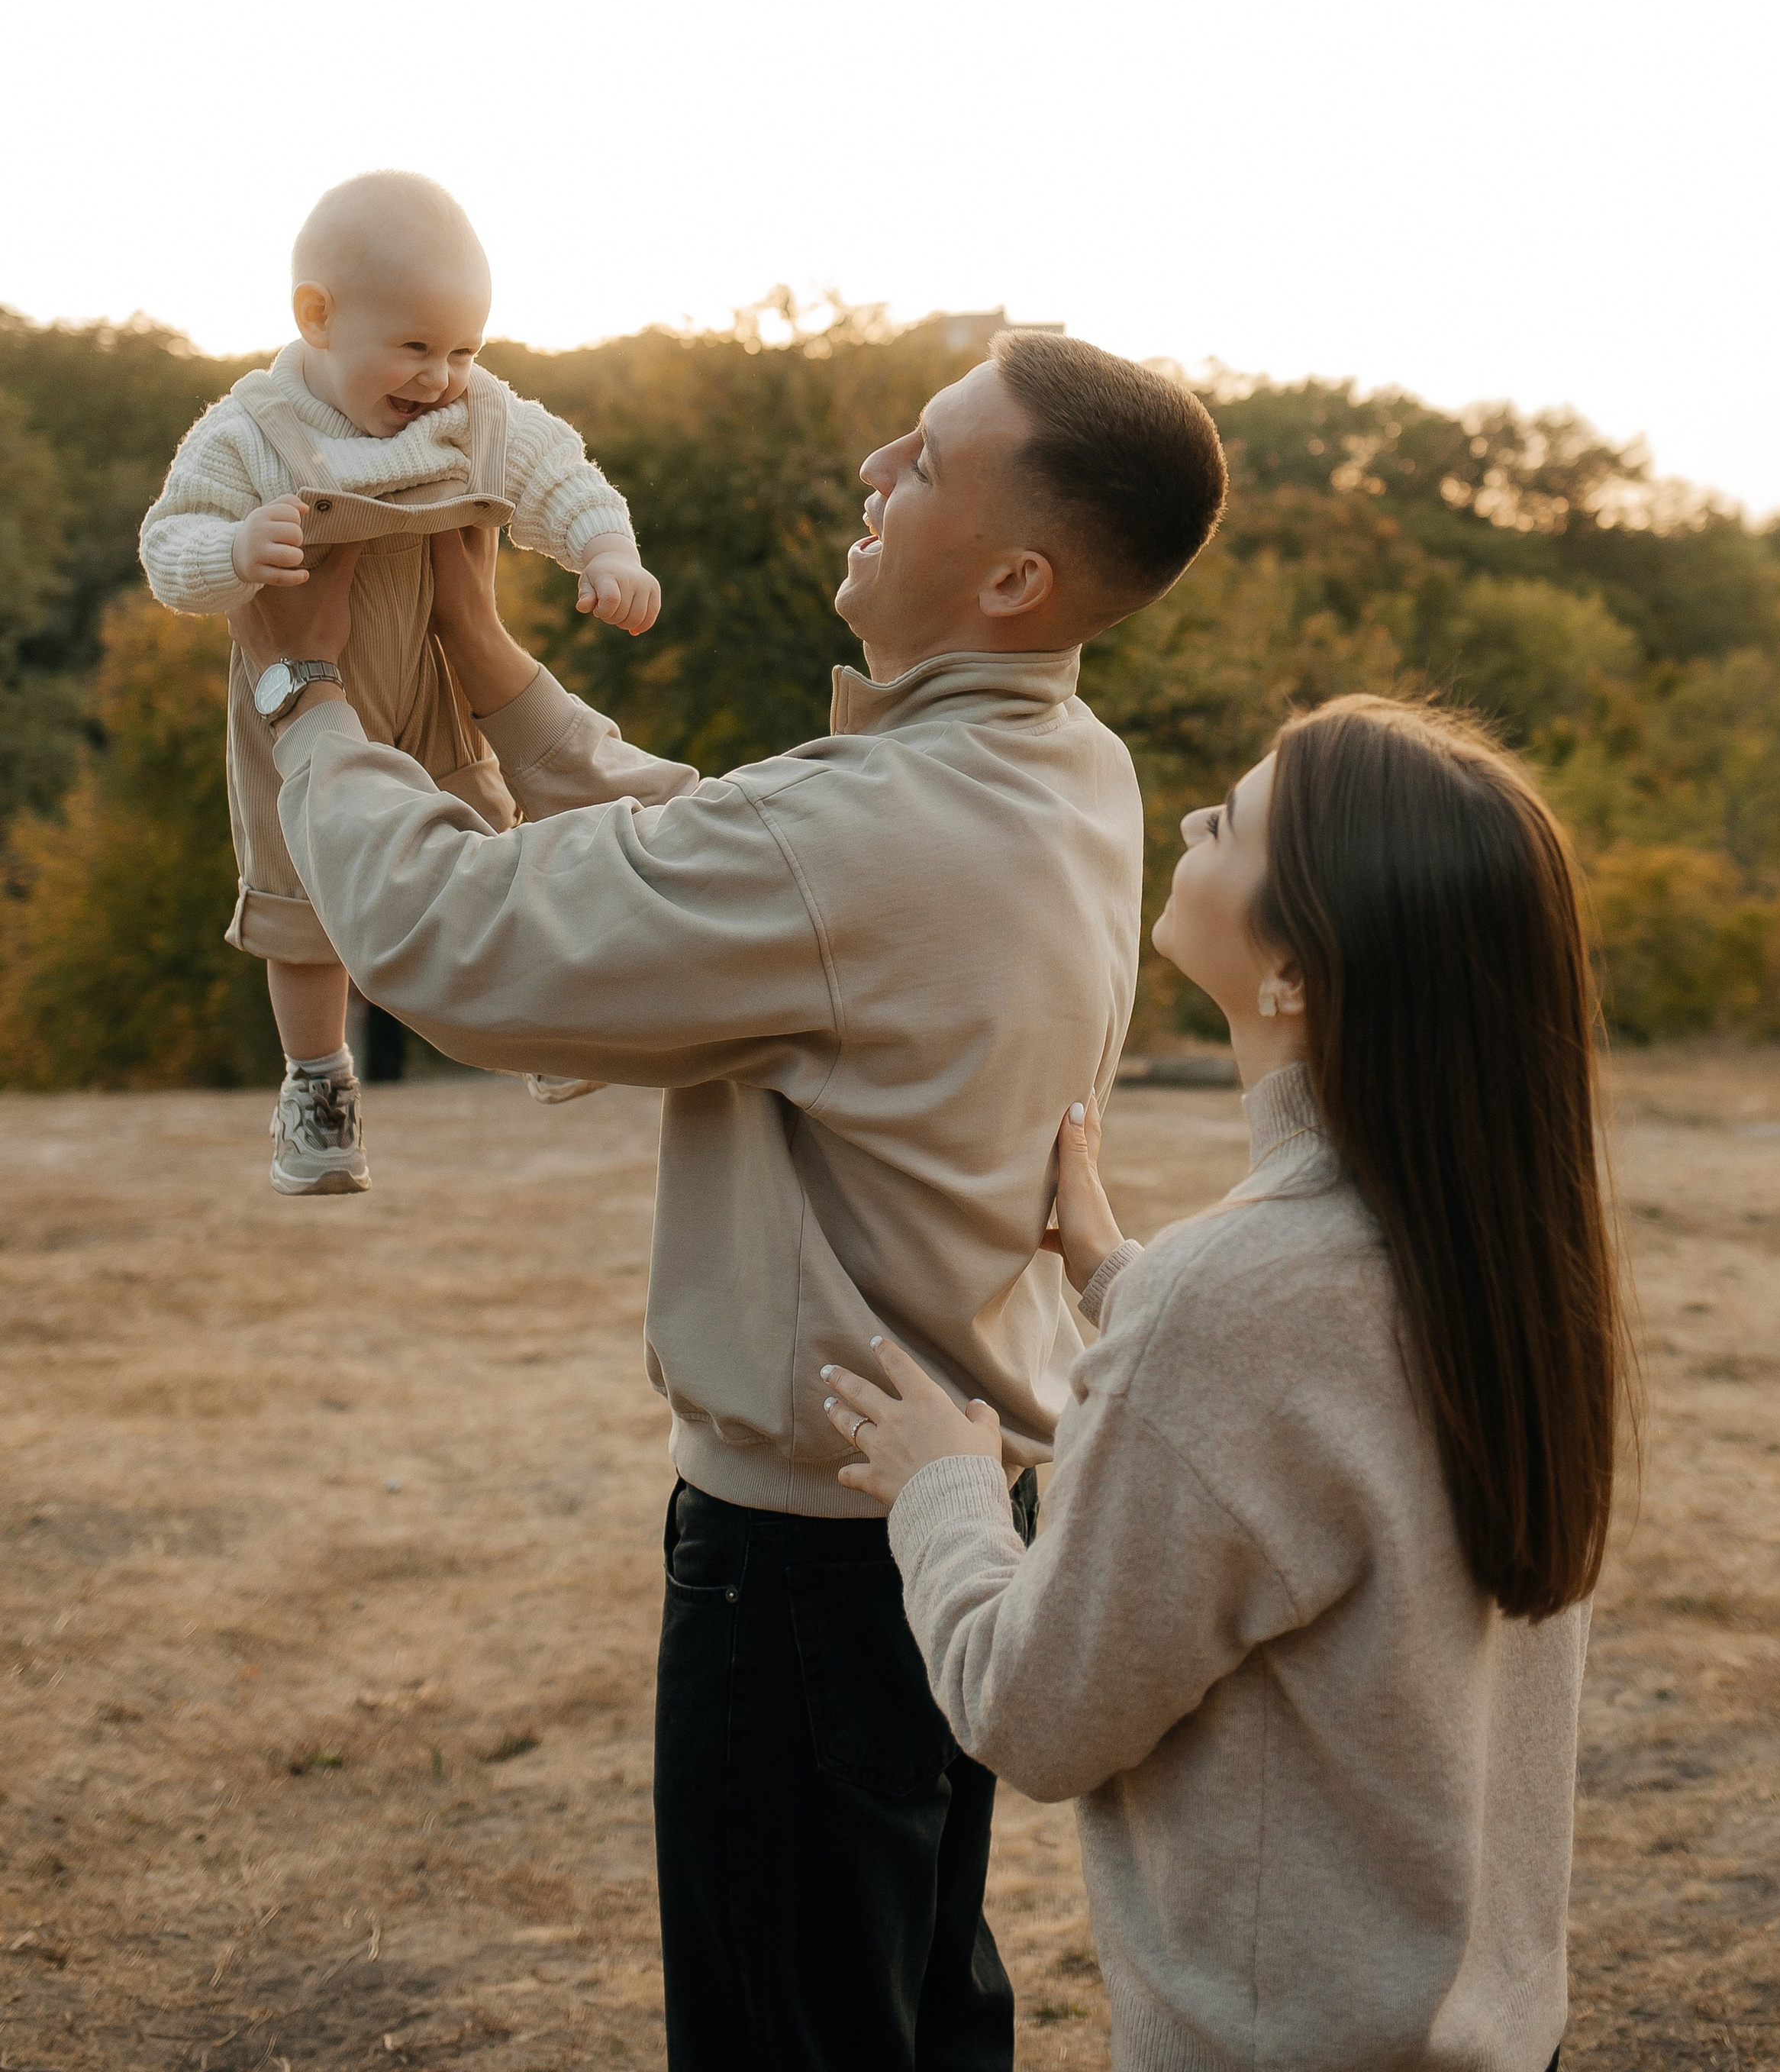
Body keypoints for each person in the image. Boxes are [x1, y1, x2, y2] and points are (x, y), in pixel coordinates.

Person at [228, 329, 1230, 2072]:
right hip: (940, 1529)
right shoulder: (1067, 768)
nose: (871, 471)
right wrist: (490, 663)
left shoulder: (871, 834)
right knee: (912, 2023)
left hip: (802, 1573)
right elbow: (736, 857)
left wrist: (303, 699)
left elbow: (457, 940)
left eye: (923, 457)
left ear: (1011, 571)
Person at [819, 696, 1632, 2072]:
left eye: (1237, 823)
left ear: (1297, 976)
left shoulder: (1244, 1298)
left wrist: (947, 1497)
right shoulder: (1497, 1254)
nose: (1196, 821)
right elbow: (1323, 1407)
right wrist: (1114, 1273)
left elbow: (1034, 1715)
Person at [138, 172, 658, 1195]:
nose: (444, 377)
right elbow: (170, 549)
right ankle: (317, 1084)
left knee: (491, 856)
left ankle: (541, 1020)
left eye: (464, 349)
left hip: (429, 690)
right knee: (303, 906)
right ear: (317, 319)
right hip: (291, 707)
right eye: (417, 348)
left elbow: (562, 476)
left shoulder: (475, 418)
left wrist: (607, 550)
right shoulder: (250, 435)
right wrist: (240, 547)